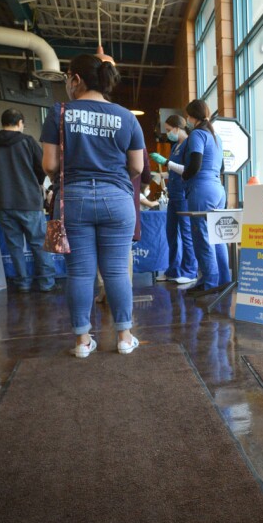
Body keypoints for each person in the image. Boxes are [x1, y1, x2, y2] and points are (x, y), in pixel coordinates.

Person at [41, 54, 144, 358]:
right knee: (116, 272)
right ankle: (125, 337)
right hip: (118, 199)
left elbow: (49, 163)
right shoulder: (127, 116)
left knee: (81, 273)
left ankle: (82, 342)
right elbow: (137, 166)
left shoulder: (59, 112)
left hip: (73, 198)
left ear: (76, 79)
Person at [152, 100, 229, 291]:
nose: (187, 119)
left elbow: (194, 165)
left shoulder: (197, 135)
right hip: (218, 190)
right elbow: (222, 167)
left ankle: (209, 282)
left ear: (192, 116)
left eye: (188, 115)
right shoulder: (216, 137)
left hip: (201, 190)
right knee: (218, 236)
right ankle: (224, 279)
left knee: (201, 236)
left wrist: (185, 178)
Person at [0, 108, 56, 293]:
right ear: (20, 122)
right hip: (28, 200)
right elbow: (42, 166)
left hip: (2, 201)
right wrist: (35, 182)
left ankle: (23, 283)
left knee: (14, 245)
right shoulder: (27, 141)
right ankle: (46, 283)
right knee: (38, 243)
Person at [149, 114, 198, 284]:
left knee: (186, 234)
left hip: (183, 194)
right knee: (171, 233)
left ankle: (190, 271)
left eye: (170, 130)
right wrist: (161, 174)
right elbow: (173, 170)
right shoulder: (176, 146)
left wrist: (166, 162)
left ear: (178, 128)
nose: (168, 133)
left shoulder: (189, 144)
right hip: (174, 194)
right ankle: (173, 270)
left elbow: (187, 169)